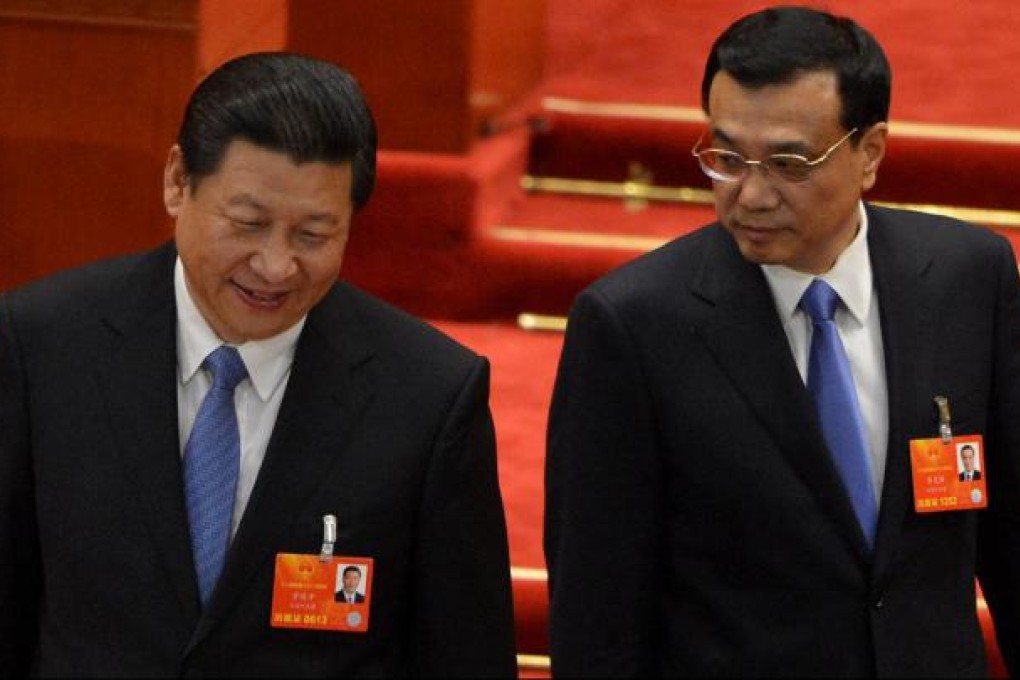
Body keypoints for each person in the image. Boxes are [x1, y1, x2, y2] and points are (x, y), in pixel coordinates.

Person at [0, 52, 516, 677]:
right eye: (248, 224)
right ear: (177, 181)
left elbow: (465, 658)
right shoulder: (42, 347)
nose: (275, 266)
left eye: (313, 236)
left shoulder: (428, 398)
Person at [544, 6, 1019, 677]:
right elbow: (598, 611)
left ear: (871, 153)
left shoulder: (967, 278)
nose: (751, 194)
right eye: (727, 157)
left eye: (789, 162)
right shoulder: (635, 326)